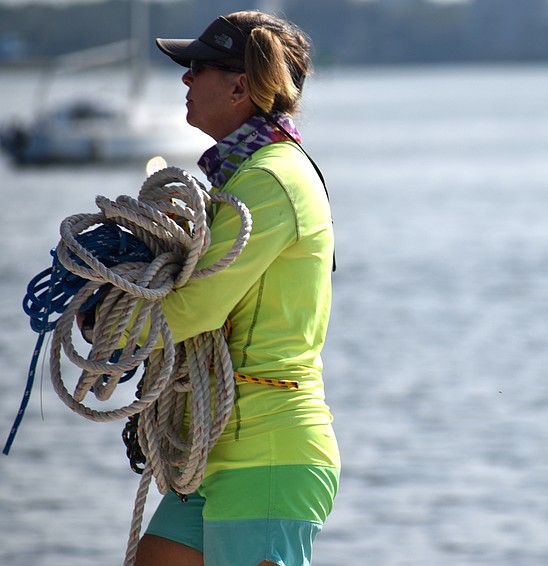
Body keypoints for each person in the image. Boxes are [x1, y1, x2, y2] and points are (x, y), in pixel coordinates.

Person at [135, 11, 339, 566]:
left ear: (241, 85)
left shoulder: (272, 179)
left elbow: (197, 305)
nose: (185, 79)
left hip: (267, 452)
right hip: (223, 446)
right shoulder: (249, 174)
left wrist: (112, 321)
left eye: (197, 67)